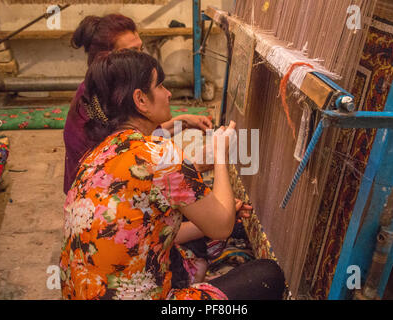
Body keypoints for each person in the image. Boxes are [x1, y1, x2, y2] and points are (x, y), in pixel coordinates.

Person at [60, 49, 285, 300]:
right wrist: (221, 154)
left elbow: (146, 230)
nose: (168, 93)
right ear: (141, 100)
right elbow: (222, 226)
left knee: (187, 238)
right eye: (161, 86)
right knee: (266, 276)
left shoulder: (96, 155)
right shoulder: (160, 155)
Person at [63, 14, 212, 195]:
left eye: (141, 49)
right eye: (133, 52)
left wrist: (183, 122)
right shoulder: (98, 107)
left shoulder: (109, 92)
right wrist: (201, 165)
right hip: (106, 197)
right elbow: (133, 175)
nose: (142, 58)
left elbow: (139, 136)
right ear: (109, 61)